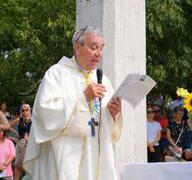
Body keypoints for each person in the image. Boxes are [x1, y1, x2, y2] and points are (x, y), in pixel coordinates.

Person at [23, 26, 122, 180]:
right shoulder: (57, 73)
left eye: (102, 48)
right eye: (94, 47)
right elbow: (45, 112)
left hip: (94, 152)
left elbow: (103, 121)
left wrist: (113, 114)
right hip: (65, 153)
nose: (99, 53)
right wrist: (83, 97)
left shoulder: (104, 80)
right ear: (78, 47)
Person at [15, 104, 32, 180]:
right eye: (23, 110)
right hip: (21, 143)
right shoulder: (19, 119)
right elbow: (8, 126)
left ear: (29, 110)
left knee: (29, 163)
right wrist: (16, 134)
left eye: (26, 110)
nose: (25, 111)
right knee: (19, 164)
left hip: (31, 143)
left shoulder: (33, 120)